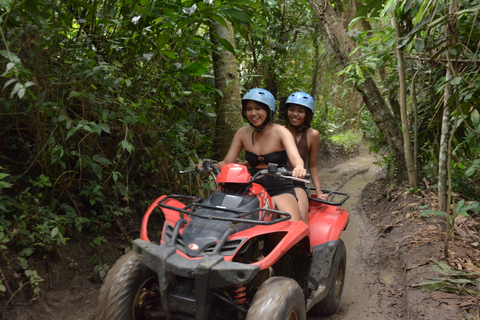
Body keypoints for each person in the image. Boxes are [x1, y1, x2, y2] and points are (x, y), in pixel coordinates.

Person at [202, 88, 307, 222]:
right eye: (249, 109)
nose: (253, 113)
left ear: (268, 111)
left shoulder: (281, 131)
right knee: (233, 222)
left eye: (258, 108)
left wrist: (299, 167)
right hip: (251, 187)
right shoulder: (242, 133)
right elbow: (227, 161)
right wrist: (209, 165)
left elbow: (295, 158)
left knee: (293, 226)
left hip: (279, 187)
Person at [284, 91, 328, 223]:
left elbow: (312, 165)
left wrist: (319, 192)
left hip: (297, 182)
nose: (295, 114)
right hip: (276, 180)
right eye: (291, 110)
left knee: (301, 218)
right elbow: (265, 156)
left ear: (307, 114)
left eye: (300, 111)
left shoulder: (312, 135)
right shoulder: (278, 131)